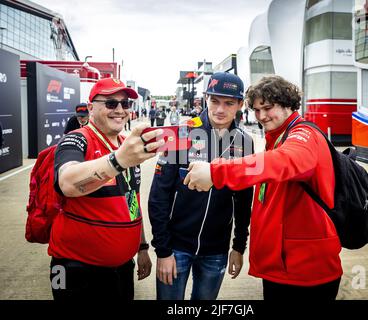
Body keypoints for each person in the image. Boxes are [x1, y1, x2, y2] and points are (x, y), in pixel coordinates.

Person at [184, 75, 342, 300]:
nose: (261, 116)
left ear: (288, 104)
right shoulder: (279, 136)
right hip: (284, 266)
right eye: (257, 110)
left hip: (304, 269)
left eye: (268, 108)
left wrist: (216, 172)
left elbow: (282, 162)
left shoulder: (303, 135)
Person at [50, 77, 165, 301]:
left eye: (125, 104)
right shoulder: (76, 139)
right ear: (91, 108)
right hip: (73, 268)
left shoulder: (126, 144)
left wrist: (142, 246)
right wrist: (117, 161)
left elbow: (132, 198)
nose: (120, 110)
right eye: (111, 103)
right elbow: (67, 182)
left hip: (122, 267)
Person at [148, 72, 254, 300]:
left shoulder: (246, 142)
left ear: (240, 104)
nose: (220, 109)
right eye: (214, 101)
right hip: (175, 248)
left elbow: (244, 199)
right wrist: (163, 251)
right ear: (205, 98)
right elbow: (158, 196)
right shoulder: (179, 132)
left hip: (216, 251)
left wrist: (238, 246)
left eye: (229, 103)